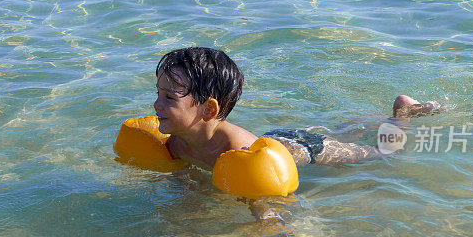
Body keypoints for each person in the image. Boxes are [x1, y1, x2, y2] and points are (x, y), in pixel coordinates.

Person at [153, 46, 440, 170]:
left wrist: (268, 221)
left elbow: (261, 195)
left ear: (209, 110)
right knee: (340, 132)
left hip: (306, 151)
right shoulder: (177, 142)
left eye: (169, 98)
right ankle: (380, 117)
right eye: (158, 94)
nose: (157, 105)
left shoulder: (238, 150)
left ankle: (402, 115)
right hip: (282, 138)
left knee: (385, 155)